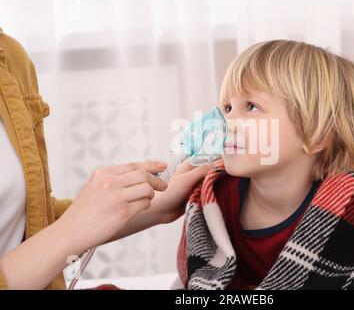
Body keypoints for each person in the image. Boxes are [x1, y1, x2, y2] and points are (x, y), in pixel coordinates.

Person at [175, 40, 354, 290]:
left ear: (317, 136)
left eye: (252, 107)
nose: (225, 122)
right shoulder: (216, 198)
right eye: (227, 107)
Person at [0, 28, 211, 290]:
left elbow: (26, 222)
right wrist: (72, 229)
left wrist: (158, 204)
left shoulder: (11, 58)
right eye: (228, 107)